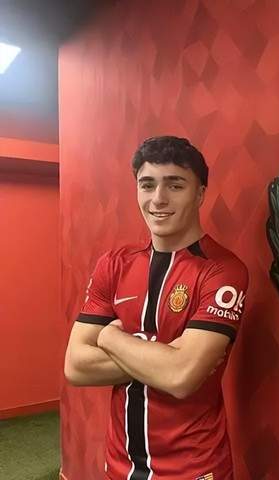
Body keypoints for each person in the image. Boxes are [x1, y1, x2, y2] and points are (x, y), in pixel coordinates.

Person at [64, 136, 248, 480]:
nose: (158, 199)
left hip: (193, 468)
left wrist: (110, 339)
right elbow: (76, 366)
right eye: (147, 185)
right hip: (119, 465)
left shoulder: (223, 271)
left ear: (200, 194)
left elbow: (180, 378)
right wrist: (164, 357)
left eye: (175, 185)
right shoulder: (114, 264)